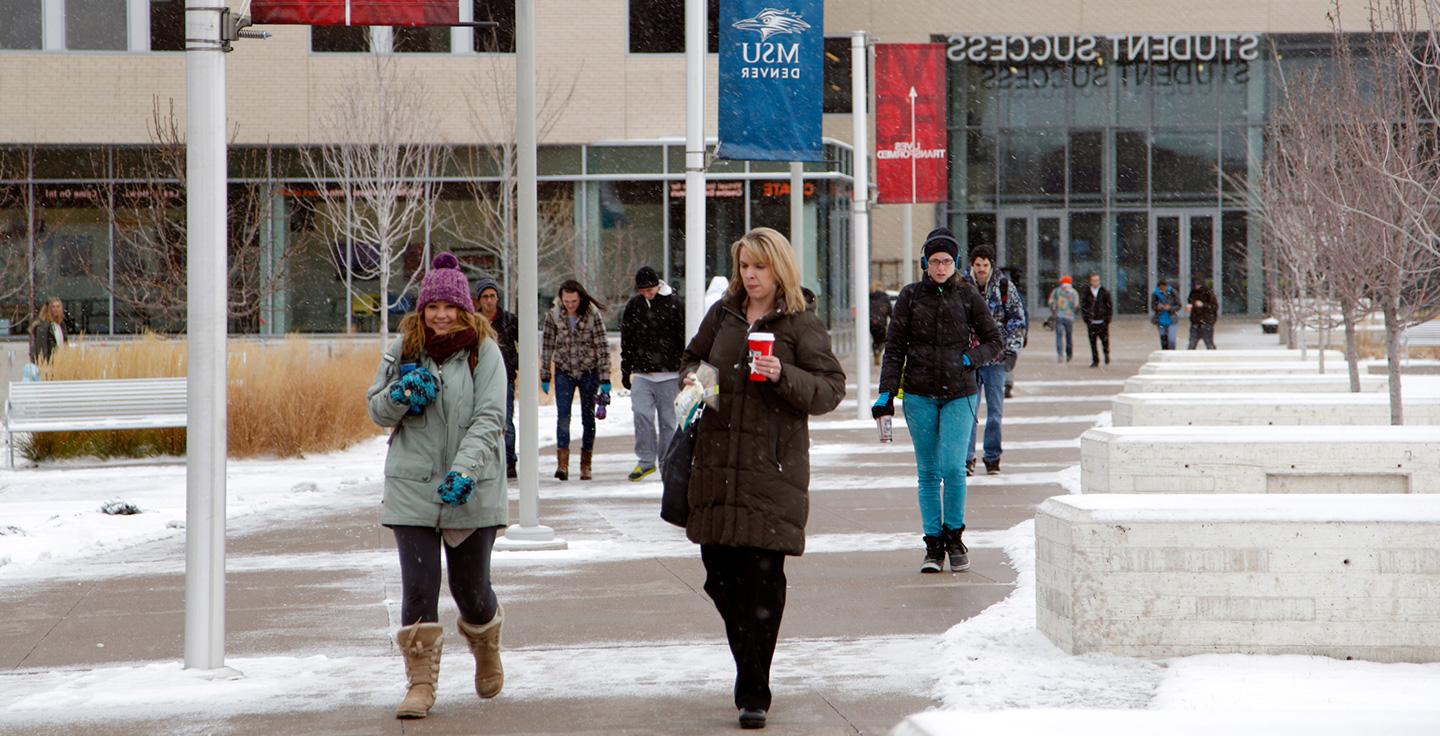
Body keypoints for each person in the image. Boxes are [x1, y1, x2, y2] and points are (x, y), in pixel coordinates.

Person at [679, 227, 845, 730]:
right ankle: (749, 661)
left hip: (771, 472)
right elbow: (692, 360)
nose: (750, 276)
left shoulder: (799, 323)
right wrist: (699, 381)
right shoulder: (724, 313)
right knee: (718, 577)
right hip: (717, 469)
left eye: (759, 267)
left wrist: (781, 375)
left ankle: (754, 689)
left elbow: (831, 389)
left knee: (764, 585)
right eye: (744, 267)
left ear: (779, 269)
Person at [364, 252, 509, 720]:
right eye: (432, 307)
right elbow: (376, 411)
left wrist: (465, 470)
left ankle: (485, 642)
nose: (441, 315)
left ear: (464, 309)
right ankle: (420, 683)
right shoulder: (403, 349)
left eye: (450, 306)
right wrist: (400, 395)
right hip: (412, 487)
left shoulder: (483, 351)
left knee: (472, 590)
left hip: (472, 486)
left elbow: (491, 418)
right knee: (419, 590)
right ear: (421, 309)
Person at [873, 226, 1003, 575]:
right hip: (918, 396)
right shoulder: (911, 296)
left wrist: (968, 360)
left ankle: (954, 536)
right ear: (924, 263)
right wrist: (885, 394)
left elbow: (994, 341)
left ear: (956, 263)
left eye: (946, 261)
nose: (941, 267)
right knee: (928, 472)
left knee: (952, 467)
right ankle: (933, 545)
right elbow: (894, 348)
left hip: (960, 394)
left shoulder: (967, 297)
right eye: (935, 261)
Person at [963, 246, 1026, 476]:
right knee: (968, 411)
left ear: (991, 265)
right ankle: (966, 458)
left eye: (985, 265)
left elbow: (1017, 320)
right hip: (969, 361)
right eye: (977, 265)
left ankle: (992, 456)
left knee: (995, 412)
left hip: (996, 360)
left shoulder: (1004, 287)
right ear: (972, 265)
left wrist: (1012, 351)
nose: (981, 269)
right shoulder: (961, 287)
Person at [540, 279, 611, 481]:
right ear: (561, 299)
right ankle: (562, 465)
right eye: (566, 301)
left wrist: (605, 378)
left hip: (589, 372)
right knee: (563, 416)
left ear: (580, 298)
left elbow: (603, 346)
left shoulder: (592, 316)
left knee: (588, 418)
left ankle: (585, 464)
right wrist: (545, 374)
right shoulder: (553, 316)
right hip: (564, 372)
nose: (570, 305)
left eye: (573, 301)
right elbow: (546, 347)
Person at [619, 265, 684, 481]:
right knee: (641, 414)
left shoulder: (675, 303)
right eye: (643, 291)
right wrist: (625, 369)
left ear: (658, 285)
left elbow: (683, 336)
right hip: (643, 374)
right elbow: (627, 339)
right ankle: (646, 461)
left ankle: (666, 463)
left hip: (670, 373)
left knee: (668, 423)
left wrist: (685, 368)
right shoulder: (634, 306)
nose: (647, 294)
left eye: (650, 290)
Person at [474, 277, 520, 479]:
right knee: (482, 421)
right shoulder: (473, 322)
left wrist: (514, 361)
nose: (489, 300)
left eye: (492, 296)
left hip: (505, 378)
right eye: (485, 296)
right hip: (479, 378)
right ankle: (485, 461)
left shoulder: (509, 320)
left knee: (506, 421)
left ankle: (510, 462)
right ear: (479, 300)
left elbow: (525, 342)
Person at [1079, 272, 1113, 367]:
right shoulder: (1087, 292)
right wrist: (1086, 318)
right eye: (1093, 280)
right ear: (1090, 281)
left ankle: (1106, 354)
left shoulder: (1104, 292)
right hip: (1091, 321)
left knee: (1105, 341)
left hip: (1102, 321)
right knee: (1092, 342)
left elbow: (1109, 306)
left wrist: (1107, 319)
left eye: (1097, 280)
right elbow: (1084, 306)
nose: (1095, 282)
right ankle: (1095, 360)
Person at [1046, 276, 1079, 363]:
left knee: (1059, 336)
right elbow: (1076, 305)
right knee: (1069, 336)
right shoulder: (1073, 292)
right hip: (1069, 317)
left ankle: (1060, 354)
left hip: (1059, 316)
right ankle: (1069, 354)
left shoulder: (1057, 291)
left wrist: (1054, 310)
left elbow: (1050, 302)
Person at [28, 298, 66, 364]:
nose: (56, 309)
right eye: (53, 307)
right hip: (49, 363)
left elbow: (64, 344)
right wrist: (45, 363)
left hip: (60, 361)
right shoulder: (43, 326)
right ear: (49, 309)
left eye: (58, 306)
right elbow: (41, 349)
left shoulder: (61, 325)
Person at [1188, 278, 1219, 350]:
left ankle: (1213, 357)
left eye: (1198, 285)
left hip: (1206, 321)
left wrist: (1203, 305)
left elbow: (1214, 307)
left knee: (1208, 343)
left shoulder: (1208, 293)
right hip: (1196, 321)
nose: (1196, 286)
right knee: (1192, 343)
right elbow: (1190, 303)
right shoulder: (1193, 293)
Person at [1151, 278, 1182, 350]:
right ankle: (1165, 352)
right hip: (1160, 319)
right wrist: (1157, 307)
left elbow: (1179, 305)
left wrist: (1170, 308)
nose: (1163, 289)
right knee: (1163, 339)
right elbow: (1153, 306)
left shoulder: (1173, 293)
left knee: (1171, 340)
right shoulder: (1155, 294)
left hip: (1171, 319)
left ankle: (1171, 353)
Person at [868, 281, 892, 361]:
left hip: (871, 322)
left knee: (875, 339)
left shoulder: (869, 296)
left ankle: (875, 351)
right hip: (881, 322)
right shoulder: (884, 297)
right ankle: (878, 350)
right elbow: (889, 310)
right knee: (883, 339)